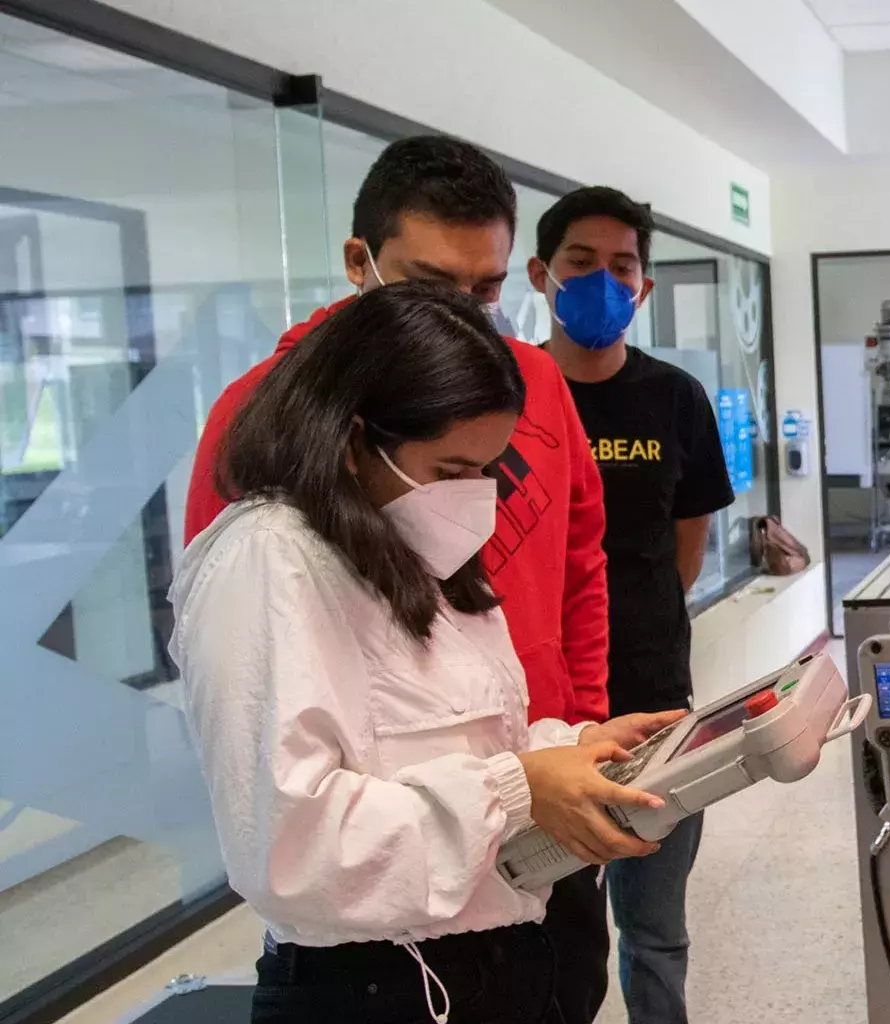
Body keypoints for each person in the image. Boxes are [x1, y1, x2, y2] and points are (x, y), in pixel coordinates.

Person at [181, 136, 617, 1023]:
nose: (479, 501)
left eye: (484, 292)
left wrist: (574, 742)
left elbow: (577, 567)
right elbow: (285, 806)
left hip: (506, 884)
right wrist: (519, 786)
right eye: (456, 467)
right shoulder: (270, 536)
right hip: (388, 951)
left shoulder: (505, 410)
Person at [528, 186, 734, 1024]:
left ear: (644, 288)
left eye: (623, 268)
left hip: (653, 697)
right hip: (545, 713)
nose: (604, 284)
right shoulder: (512, 392)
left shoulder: (676, 399)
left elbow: (685, 549)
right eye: (582, 264)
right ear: (542, 274)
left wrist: (636, 627)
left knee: (654, 928)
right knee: (554, 929)